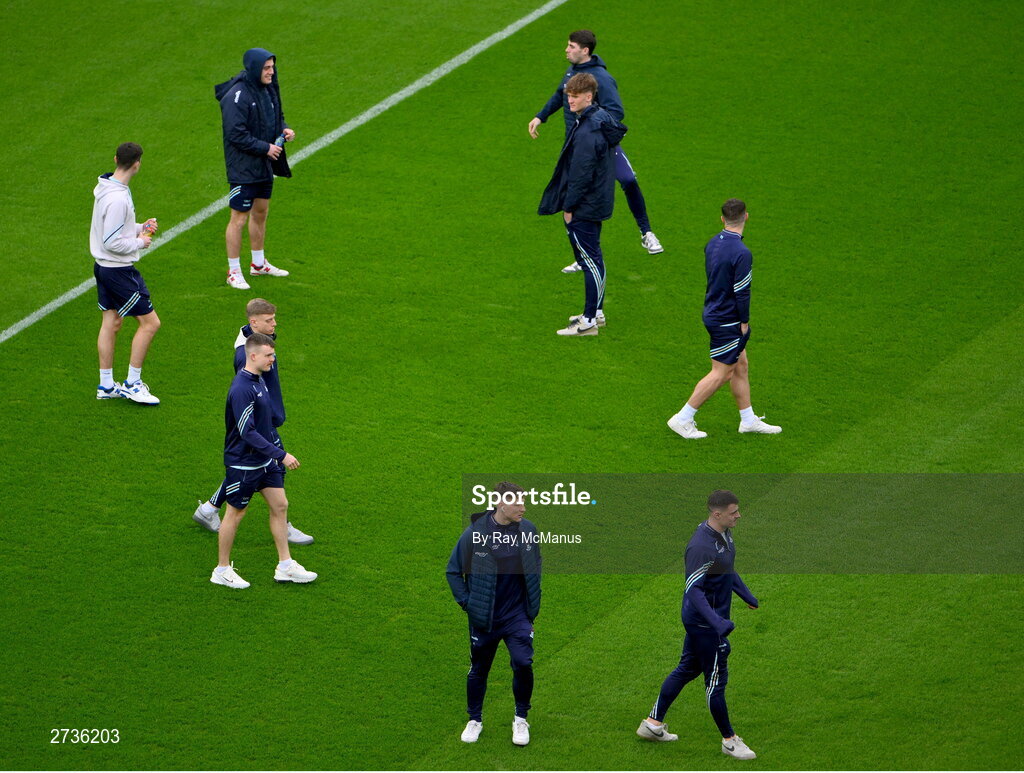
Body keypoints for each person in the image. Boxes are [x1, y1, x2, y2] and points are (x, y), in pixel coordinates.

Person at [636, 490, 759, 760]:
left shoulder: (723, 534)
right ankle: (729, 740)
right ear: (717, 514)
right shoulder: (701, 546)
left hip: (706, 621)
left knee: (686, 668)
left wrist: (747, 596)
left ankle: (652, 724)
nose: (738, 515)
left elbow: (726, 569)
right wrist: (717, 623)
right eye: (733, 512)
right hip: (705, 624)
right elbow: (693, 590)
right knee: (715, 681)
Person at [529, 29, 663, 270]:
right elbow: (559, 95)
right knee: (572, 200)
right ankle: (582, 257)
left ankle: (647, 233)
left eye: (571, 46)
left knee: (628, 180)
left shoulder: (602, 78)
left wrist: (594, 131)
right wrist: (541, 117)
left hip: (601, 146)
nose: (566, 50)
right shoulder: (573, 72)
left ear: (585, 50)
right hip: (576, 148)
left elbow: (616, 112)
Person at [193, 298, 314, 545]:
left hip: (265, 419)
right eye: (269, 320)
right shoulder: (244, 356)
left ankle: (208, 509)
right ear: (253, 321)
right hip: (260, 424)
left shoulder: (257, 342)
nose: (274, 324)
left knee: (249, 471)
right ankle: (283, 526)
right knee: (274, 467)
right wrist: (264, 424)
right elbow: (246, 394)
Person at [210, 333, 317, 589]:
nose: (273, 359)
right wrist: (281, 454)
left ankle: (285, 566)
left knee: (280, 505)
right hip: (244, 464)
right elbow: (247, 432)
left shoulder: (259, 381)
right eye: (269, 355)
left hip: (264, 462)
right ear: (253, 355)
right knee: (235, 513)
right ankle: (221, 569)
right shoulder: (242, 389)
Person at [668, 199, 781, 438]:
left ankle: (748, 420)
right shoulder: (742, 252)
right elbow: (742, 290)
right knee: (722, 372)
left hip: (713, 310)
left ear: (722, 219)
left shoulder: (712, 243)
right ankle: (683, 418)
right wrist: (745, 321)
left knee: (741, 365)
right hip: (727, 319)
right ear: (746, 217)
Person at [446, 482, 542, 746]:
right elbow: (453, 571)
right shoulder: (474, 534)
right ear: (502, 505)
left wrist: (531, 603)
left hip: (517, 616)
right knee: (479, 669)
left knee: (523, 663)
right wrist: (468, 603)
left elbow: (536, 563)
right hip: (485, 618)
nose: (524, 508)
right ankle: (474, 719)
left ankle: (521, 718)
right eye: (518, 504)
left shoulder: (528, 530)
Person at [538, 72, 626, 336]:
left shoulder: (589, 129)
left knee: (590, 260)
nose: (570, 102)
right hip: (596, 199)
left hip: (586, 204)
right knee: (593, 258)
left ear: (589, 96)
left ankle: (588, 321)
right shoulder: (597, 118)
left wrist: (569, 207)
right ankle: (595, 313)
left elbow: (581, 172)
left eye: (575, 97)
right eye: (568, 96)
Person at [215, 47, 294, 290]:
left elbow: (275, 115)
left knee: (261, 212)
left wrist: (284, 128)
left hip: (263, 163)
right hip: (243, 168)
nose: (271, 72)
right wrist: (265, 148)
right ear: (254, 69)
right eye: (267, 68)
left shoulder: (267, 89)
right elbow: (235, 134)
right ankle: (234, 271)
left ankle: (258, 265)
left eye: (272, 67)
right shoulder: (237, 96)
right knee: (238, 218)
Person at [90, 142, 162, 405]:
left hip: (104, 268)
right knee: (150, 323)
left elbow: (114, 228)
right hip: (118, 271)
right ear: (137, 164)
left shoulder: (108, 186)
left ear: (115, 159)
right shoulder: (118, 197)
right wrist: (140, 242)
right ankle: (132, 383)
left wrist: (140, 226)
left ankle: (107, 385)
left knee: (111, 323)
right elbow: (112, 241)